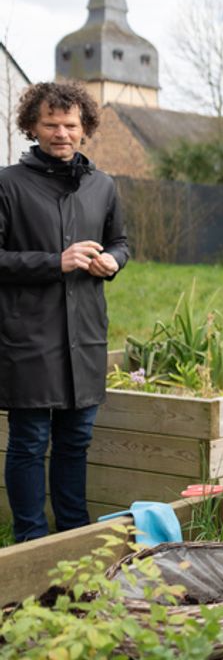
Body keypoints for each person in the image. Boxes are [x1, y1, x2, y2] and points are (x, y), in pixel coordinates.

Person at [0, 82, 129, 542]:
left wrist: (114, 261)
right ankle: (31, 539)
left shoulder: (103, 185)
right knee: (31, 443)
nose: (61, 133)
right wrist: (55, 261)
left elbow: (120, 241)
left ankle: (73, 533)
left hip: (86, 336)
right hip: (28, 336)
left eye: (70, 125)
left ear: (85, 128)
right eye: (51, 124)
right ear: (31, 127)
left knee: (76, 442)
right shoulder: (7, 183)